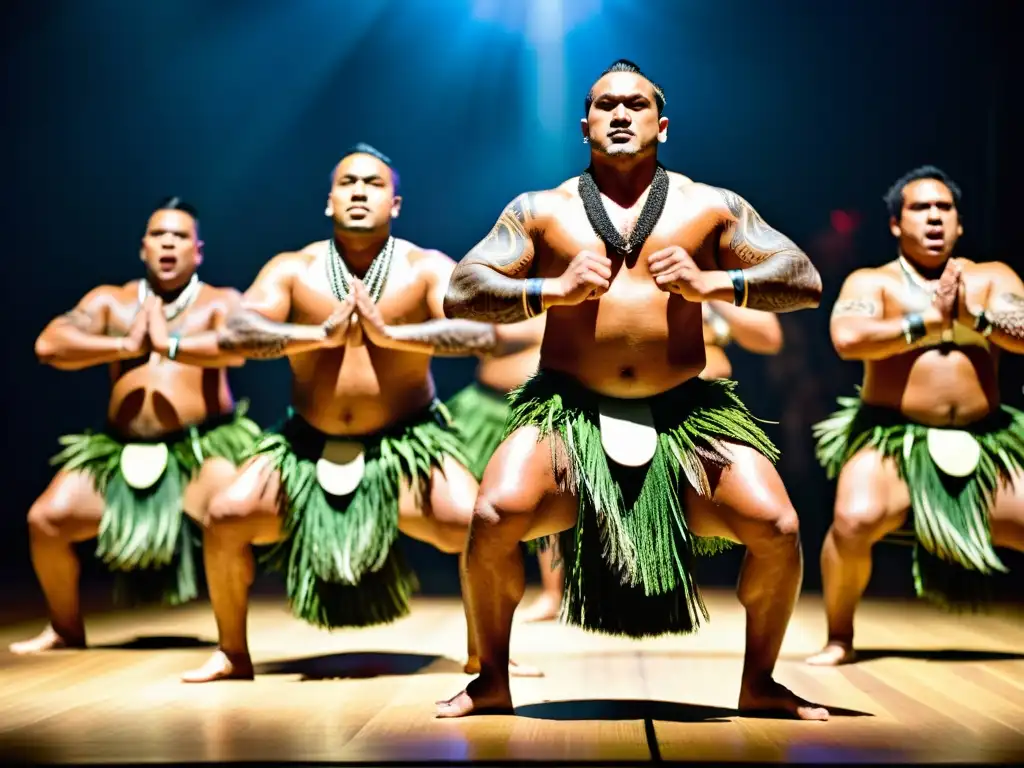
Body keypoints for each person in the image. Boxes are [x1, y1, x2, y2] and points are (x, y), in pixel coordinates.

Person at [436, 59, 827, 720]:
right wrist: (549, 291)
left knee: (777, 526)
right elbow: (463, 290)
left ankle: (759, 683)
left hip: (686, 412)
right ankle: (491, 680)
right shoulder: (541, 210)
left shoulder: (711, 205)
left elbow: (805, 279)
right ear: (584, 123)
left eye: (637, 105)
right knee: (492, 516)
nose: (621, 115)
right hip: (570, 409)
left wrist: (717, 285)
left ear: (663, 125)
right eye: (606, 105)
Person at [180, 144, 538, 682]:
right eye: (348, 183)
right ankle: (232, 652)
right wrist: (315, 334)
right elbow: (236, 330)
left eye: (373, 184)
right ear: (329, 201)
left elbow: (478, 332)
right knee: (226, 516)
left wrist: (393, 334)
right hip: (306, 443)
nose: (359, 192)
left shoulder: (423, 268)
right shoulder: (293, 270)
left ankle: (485, 654)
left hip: (408, 443)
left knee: (479, 523)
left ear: (395, 203)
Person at [10, 197, 260, 654]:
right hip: (119, 449)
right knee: (45, 521)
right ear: (143, 248)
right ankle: (65, 628)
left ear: (198, 251)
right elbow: (49, 345)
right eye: (158, 235)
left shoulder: (220, 302)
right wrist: (124, 344)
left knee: (230, 518)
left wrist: (171, 345)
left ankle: (231, 645)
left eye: (180, 236)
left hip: (200, 449)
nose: (168, 243)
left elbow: (241, 345)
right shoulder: (112, 303)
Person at [807, 165, 1024, 666]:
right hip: (893, 437)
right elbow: (847, 339)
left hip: (986, 437)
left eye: (944, 208)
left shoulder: (992, 278)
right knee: (853, 520)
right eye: (920, 208)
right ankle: (839, 636)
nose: (933, 218)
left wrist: (975, 319)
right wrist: (928, 320)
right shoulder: (874, 283)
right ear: (895, 225)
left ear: (960, 223)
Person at [443, 316, 565, 623]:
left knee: (549, 505)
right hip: (482, 408)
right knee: (472, 505)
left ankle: (553, 595)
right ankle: (478, 597)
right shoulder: (504, 289)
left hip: (544, 411)